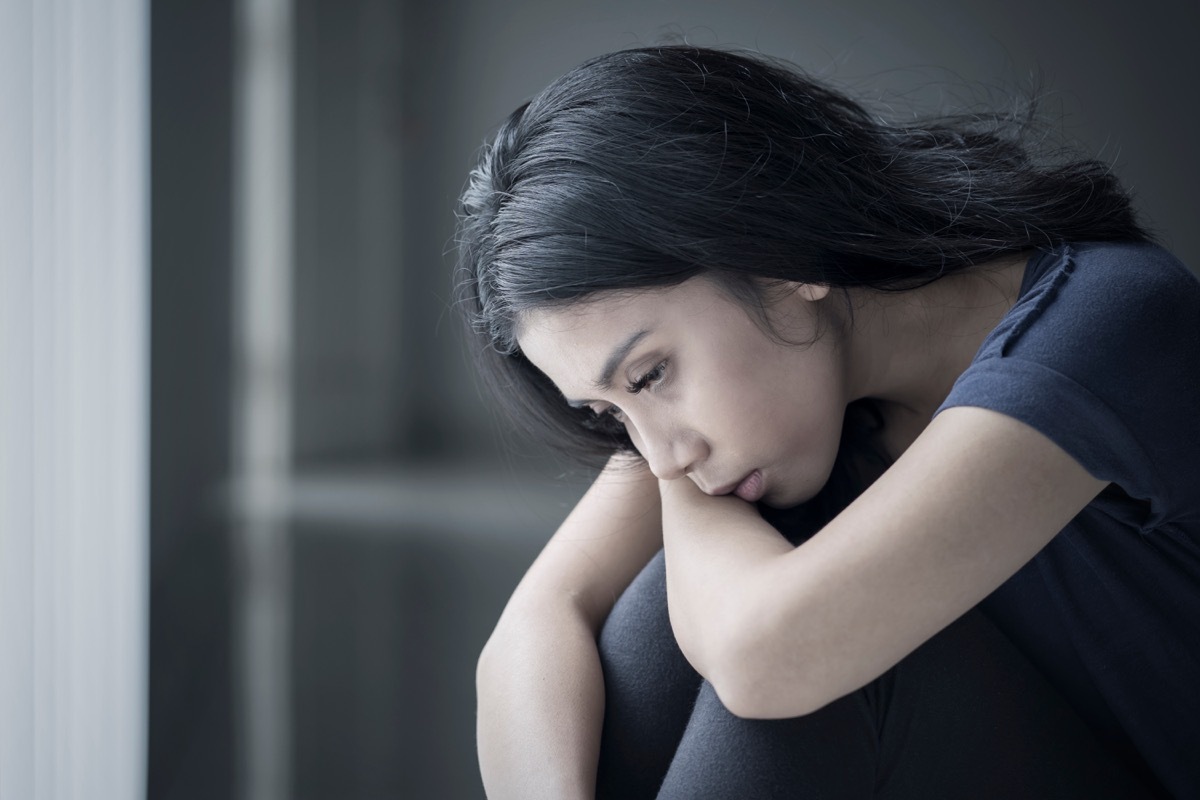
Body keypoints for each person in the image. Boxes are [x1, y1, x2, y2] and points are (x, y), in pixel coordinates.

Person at [455, 45, 1200, 799]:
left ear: (777, 252)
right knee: (653, 616)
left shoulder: (1111, 321)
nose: (659, 455)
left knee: (785, 658)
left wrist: (674, 493)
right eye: (608, 413)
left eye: (650, 374)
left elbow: (763, 657)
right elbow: (537, 623)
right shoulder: (787, 394)